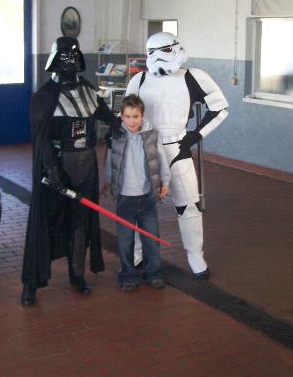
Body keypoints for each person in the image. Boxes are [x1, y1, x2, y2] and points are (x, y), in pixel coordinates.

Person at [21, 36, 120, 306]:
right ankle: (32, 283)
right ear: (55, 59)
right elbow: (41, 139)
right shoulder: (44, 97)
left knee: (80, 224)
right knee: (46, 223)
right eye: (65, 56)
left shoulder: (88, 90)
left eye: (74, 55)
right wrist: (51, 170)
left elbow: (104, 113)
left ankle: (77, 275)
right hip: (57, 166)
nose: (71, 60)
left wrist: (115, 124)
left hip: (85, 164)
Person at [126, 32, 228, 279]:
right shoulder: (139, 80)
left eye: (164, 50)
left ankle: (195, 256)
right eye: (152, 51)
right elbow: (126, 114)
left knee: (189, 205)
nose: (158, 57)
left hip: (177, 147)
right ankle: (137, 253)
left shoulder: (193, 77)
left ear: (176, 49)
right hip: (145, 147)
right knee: (140, 205)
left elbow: (219, 107)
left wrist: (196, 134)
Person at [101, 94, 171, 291]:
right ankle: (128, 276)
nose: (132, 121)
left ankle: (154, 273)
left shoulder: (152, 135)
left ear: (142, 116)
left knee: (151, 238)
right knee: (125, 241)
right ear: (121, 116)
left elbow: (161, 159)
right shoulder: (116, 135)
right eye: (128, 117)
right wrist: (108, 182)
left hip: (147, 196)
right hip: (125, 198)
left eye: (136, 116)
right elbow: (110, 161)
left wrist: (165, 181)